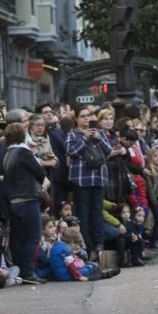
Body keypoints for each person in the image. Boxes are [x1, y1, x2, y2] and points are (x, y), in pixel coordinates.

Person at [2, 123, 46, 284]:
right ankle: (28, 272)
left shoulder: (8, 153)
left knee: (18, 237)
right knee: (33, 236)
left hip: (14, 200)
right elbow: (40, 172)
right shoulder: (23, 152)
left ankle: (20, 269)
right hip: (28, 198)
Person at [66, 105, 111, 259]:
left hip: (98, 178)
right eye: (83, 116)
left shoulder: (100, 133)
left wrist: (98, 138)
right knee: (83, 214)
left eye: (89, 115)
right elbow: (71, 152)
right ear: (77, 119)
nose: (86, 118)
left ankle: (99, 244)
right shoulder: (73, 134)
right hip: (81, 179)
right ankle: (86, 245)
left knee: (97, 213)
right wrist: (85, 137)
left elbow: (108, 151)